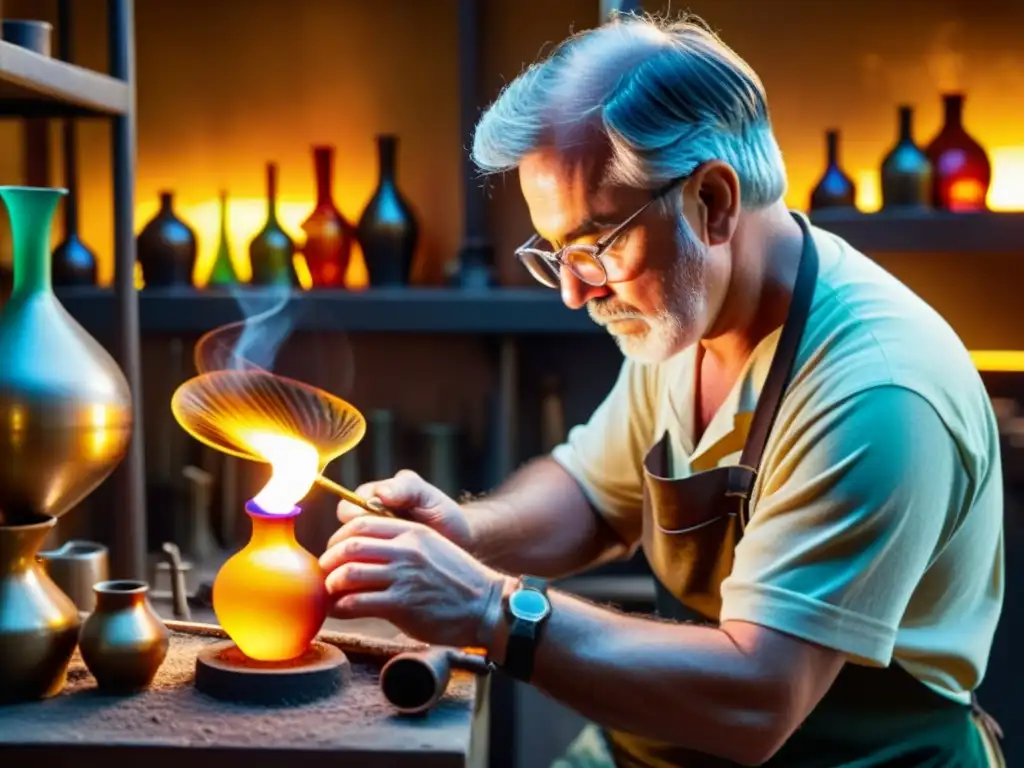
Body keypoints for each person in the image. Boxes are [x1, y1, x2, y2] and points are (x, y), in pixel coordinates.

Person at [320, 12, 1006, 767]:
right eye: (555, 254)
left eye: (597, 246)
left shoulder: (876, 390)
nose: (575, 295)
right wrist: (467, 534)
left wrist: (487, 608)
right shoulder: (682, 314)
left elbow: (757, 699)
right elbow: (592, 494)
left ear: (711, 202)